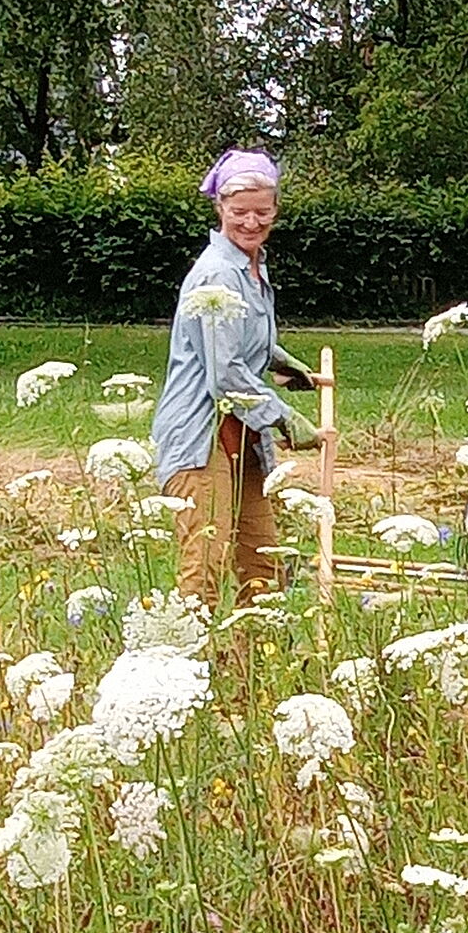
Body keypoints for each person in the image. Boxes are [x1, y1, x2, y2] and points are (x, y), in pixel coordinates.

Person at [151, 149, 330, 608]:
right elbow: (225, 374)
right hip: (200, 438)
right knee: (204, 568)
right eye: (240, 212)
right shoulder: (216, 274)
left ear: (275, 210)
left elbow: (243, 339)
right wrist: (287, 418)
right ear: (220, 210)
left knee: (264, 563)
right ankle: (186, 672)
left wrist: (284, 363)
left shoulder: (251, 267)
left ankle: (252, 671)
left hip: (240, 438)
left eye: (262, 211)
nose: (251, 222)